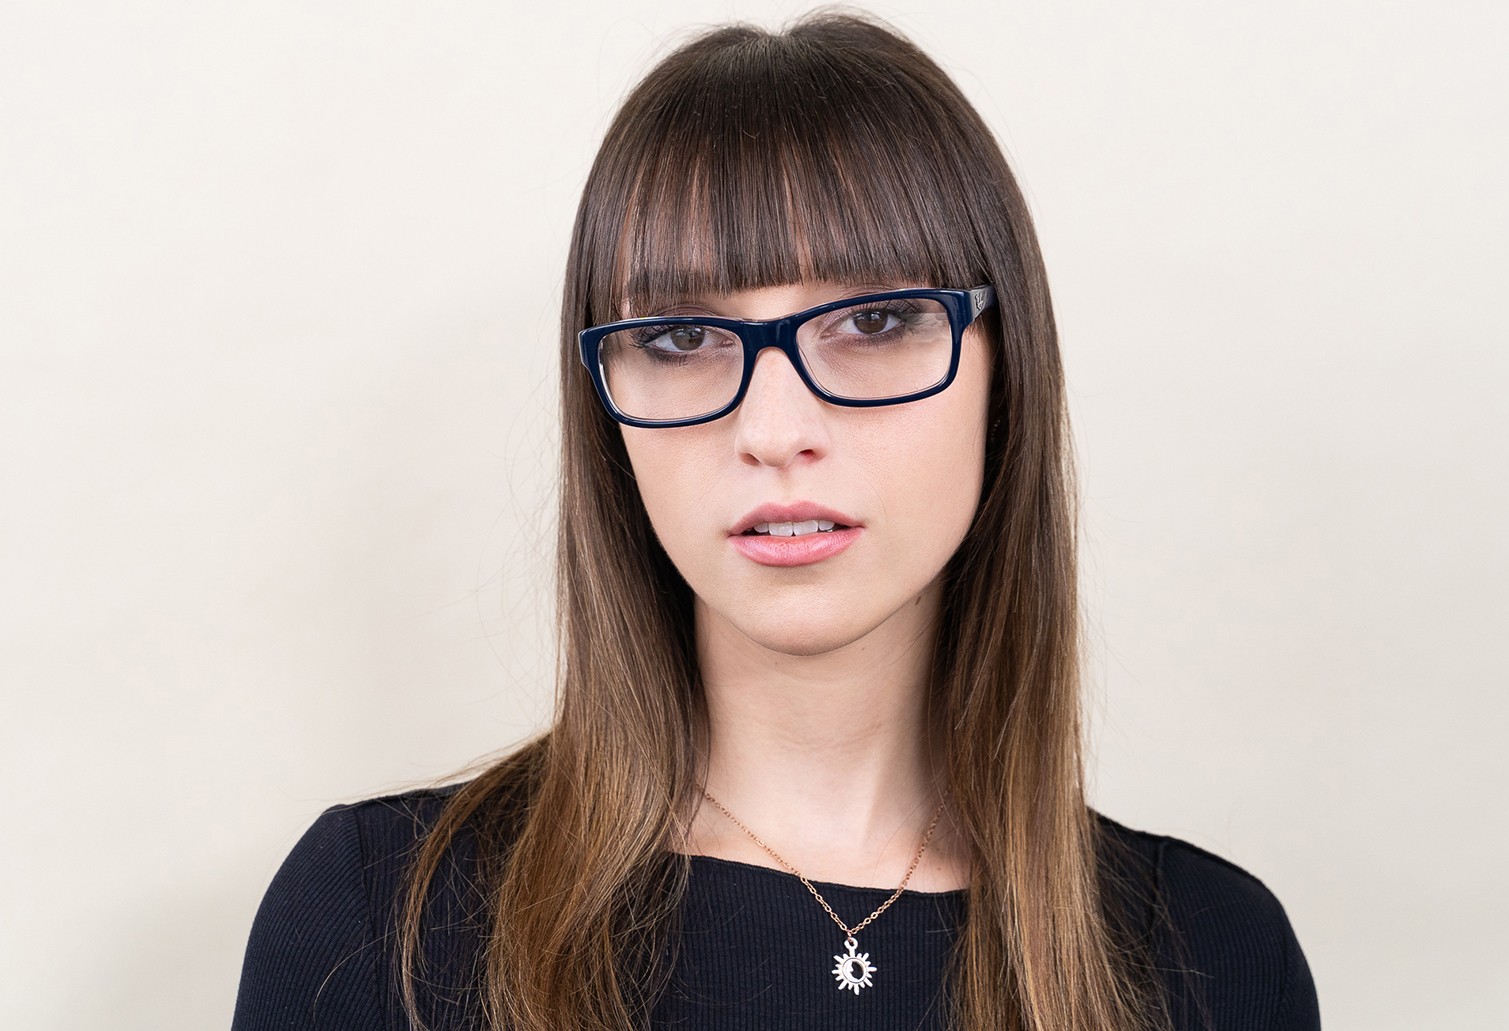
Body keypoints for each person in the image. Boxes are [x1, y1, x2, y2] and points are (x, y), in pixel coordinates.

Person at [232, 11, 1319, 1031]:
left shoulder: (1216, 958)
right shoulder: (379, 922)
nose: (774, 428)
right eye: (679, 338)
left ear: (1006, 372)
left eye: (876, 320)